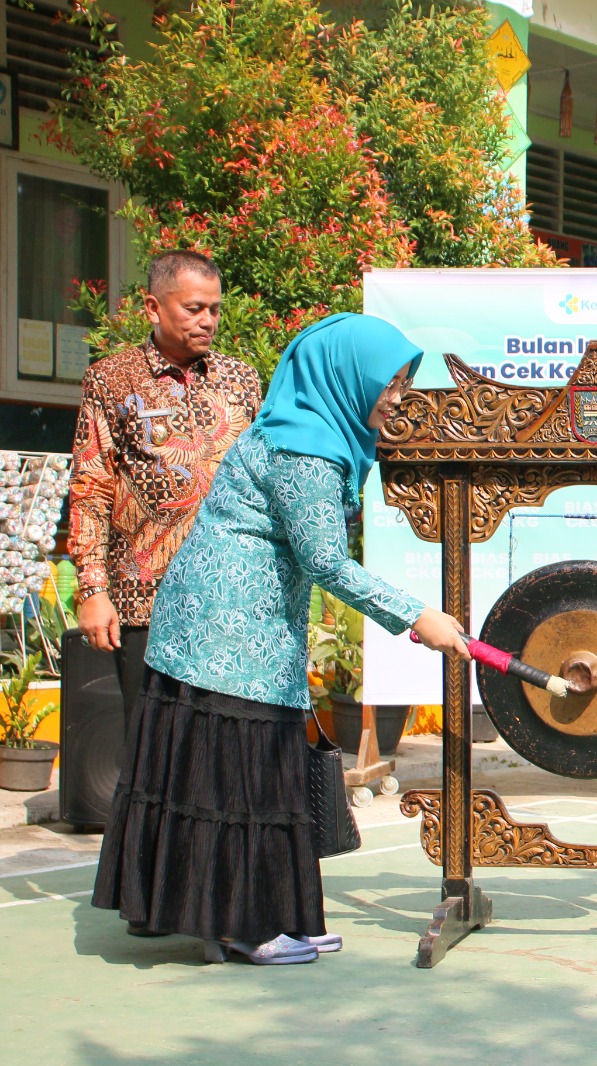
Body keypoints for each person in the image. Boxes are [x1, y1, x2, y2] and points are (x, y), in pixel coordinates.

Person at [91, 313, 470, 966]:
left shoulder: (296, 426)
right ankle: (241, 927)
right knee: (239, 781)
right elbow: (326, 562)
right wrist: (417, 616)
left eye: (404, 382)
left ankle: (249, 914)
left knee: (231, 776)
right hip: (230, 632)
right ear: (347, 376)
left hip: (219, 622)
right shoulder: (309, 450)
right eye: (389, 382)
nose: (397, 396)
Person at [68, 251, 259, 797]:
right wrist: (93, 589)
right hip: (144, 601)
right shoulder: (111, 379)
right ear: (153, 307)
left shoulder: (241, 380)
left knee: (227, 757)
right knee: (154, 758)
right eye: (194, 308)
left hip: (229, 597)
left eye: (214, 309)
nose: (207, 320)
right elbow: (91, 486)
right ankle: (148, 856)